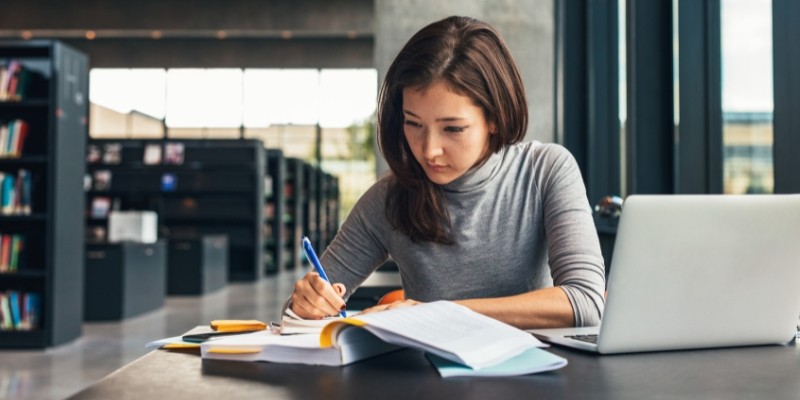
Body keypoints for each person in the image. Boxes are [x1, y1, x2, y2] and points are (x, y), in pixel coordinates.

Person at [290, 15, 605, 329]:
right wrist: (306, 304)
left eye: (452, 128)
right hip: (428, 376)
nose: (429, 150)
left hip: (534, 373)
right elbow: (295, 317)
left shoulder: (546, 170)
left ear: (495, 118)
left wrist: (433, 312)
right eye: (413, 123)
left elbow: (585, 302)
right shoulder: (388, 198)